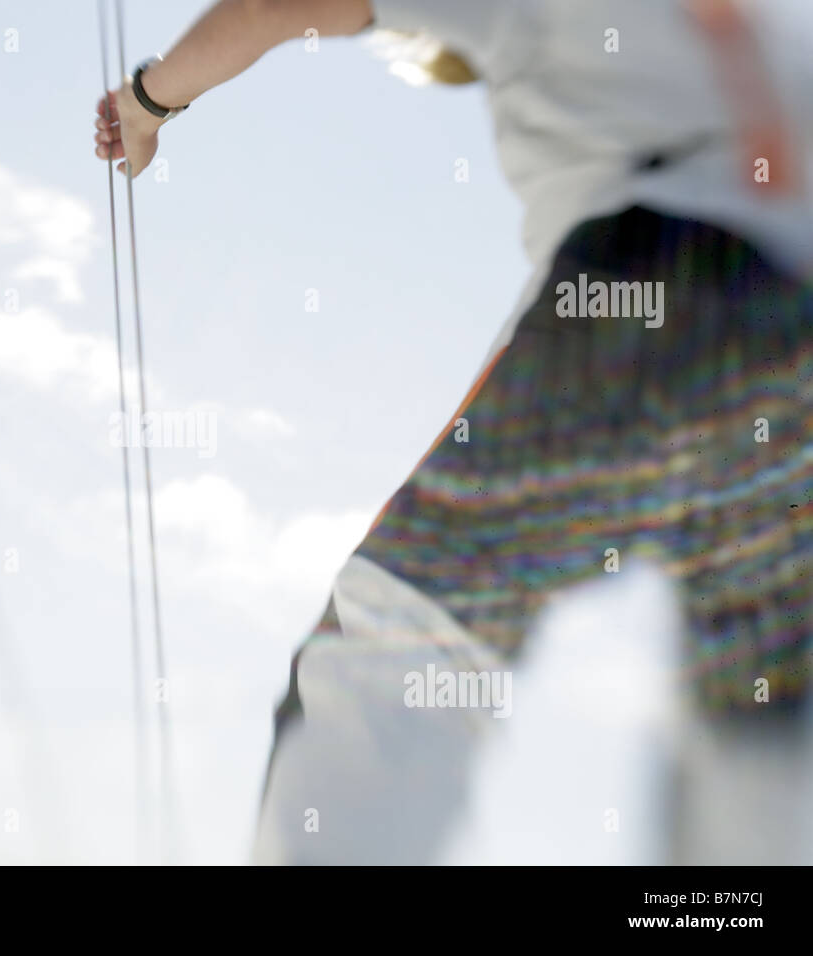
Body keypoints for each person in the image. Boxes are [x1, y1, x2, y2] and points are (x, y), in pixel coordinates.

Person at [95, 0, 813, 863]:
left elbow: (275, 5)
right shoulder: (774, 35)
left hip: (647, 284)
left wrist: (146, 100)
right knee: (764, 735)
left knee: (402, 652)